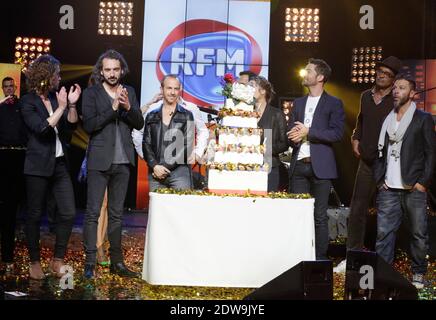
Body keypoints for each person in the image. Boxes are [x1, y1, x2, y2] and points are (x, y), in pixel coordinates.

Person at [334, 56, 402, 273]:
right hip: (366, 161)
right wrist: (355, 137)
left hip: (389, 163)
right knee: (357, 209)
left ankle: (383, 262)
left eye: (387, 74)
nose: (381, 75)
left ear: (394, 79)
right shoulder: (365, 96)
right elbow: (361, 121)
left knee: (386, 211)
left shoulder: (398, 99)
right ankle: (352, 257)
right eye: (380, 71)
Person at [82, 49, 144, 279]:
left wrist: (127, 107)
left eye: (115, 69)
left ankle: (117, 262)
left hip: (123, 161)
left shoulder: (129, 92)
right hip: (99, 160)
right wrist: (114, 108)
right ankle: (90, 260)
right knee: (93, 213)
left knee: (117, 214)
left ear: (121, 70)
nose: (111, 73)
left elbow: (139, 122)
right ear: (101, 71)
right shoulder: (91, 94)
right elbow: (90, 126)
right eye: (107, 69)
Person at [20, 55, 80, 280]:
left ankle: (57, 260)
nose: (60, 77)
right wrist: (61, 108)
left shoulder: (57, 100)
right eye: (57, 73)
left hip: (59, 164)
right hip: (37, 165)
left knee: (68, 211)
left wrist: (71, 105)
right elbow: (42, 129)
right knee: (35, 214)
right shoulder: (27, 102)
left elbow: (70, 127)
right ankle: (35, 261)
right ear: (47, 75)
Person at [374, 75, 435, 289]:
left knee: (418, 234)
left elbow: (431, 153)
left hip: (413, 187)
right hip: (388, 187)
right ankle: (383, 273)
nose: (396, 91)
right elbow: (379, 152)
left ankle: (418, 273)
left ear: (412, 93)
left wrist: (423, 182)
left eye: (401, 88)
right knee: (383, 234)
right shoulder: (387, 119)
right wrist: (379, 180)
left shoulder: (423, 119)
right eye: (395, 88)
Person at [287, 58, 345, 260]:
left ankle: (319, 259)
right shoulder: (298, 102)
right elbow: (290, 128)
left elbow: (337, 134)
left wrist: (308, 132)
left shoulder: (334, 103)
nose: (305, 73)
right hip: (299, 167)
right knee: (298, 215)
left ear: (320, 77)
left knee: (319, 217)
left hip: (321, 167)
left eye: (309, 70)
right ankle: (297, 256)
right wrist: (294, 135)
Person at [142, 74, 195, 191]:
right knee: (157, 208)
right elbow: (146, 143)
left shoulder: (187, 115)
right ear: (162, 89)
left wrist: (163, 168)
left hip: (179, 173)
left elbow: (188, 146)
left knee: (180, 208)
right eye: (169, 88)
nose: (172, 92)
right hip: (155, 173)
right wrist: (155, 166)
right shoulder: (151, 115)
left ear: (180, 90)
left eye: (176, 89)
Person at [0, 77, 27, 274]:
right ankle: (7, 253)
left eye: (11, 86)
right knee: (6, 205)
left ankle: (12, 249)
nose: (9, 89)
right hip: (2, 156)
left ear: (15, 87)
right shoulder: (0, 108)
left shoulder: (23, 107)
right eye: (6, 87)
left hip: (20, 156)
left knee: (18, 204)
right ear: (2, 89)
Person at [250, 76, 289, 191]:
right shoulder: (245, 113)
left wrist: (265, 149)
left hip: (269, 166)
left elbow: (284, 143)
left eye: (252, 86)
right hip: (247, 165)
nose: (248, 90)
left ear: (263, 91)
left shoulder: (276, 114)